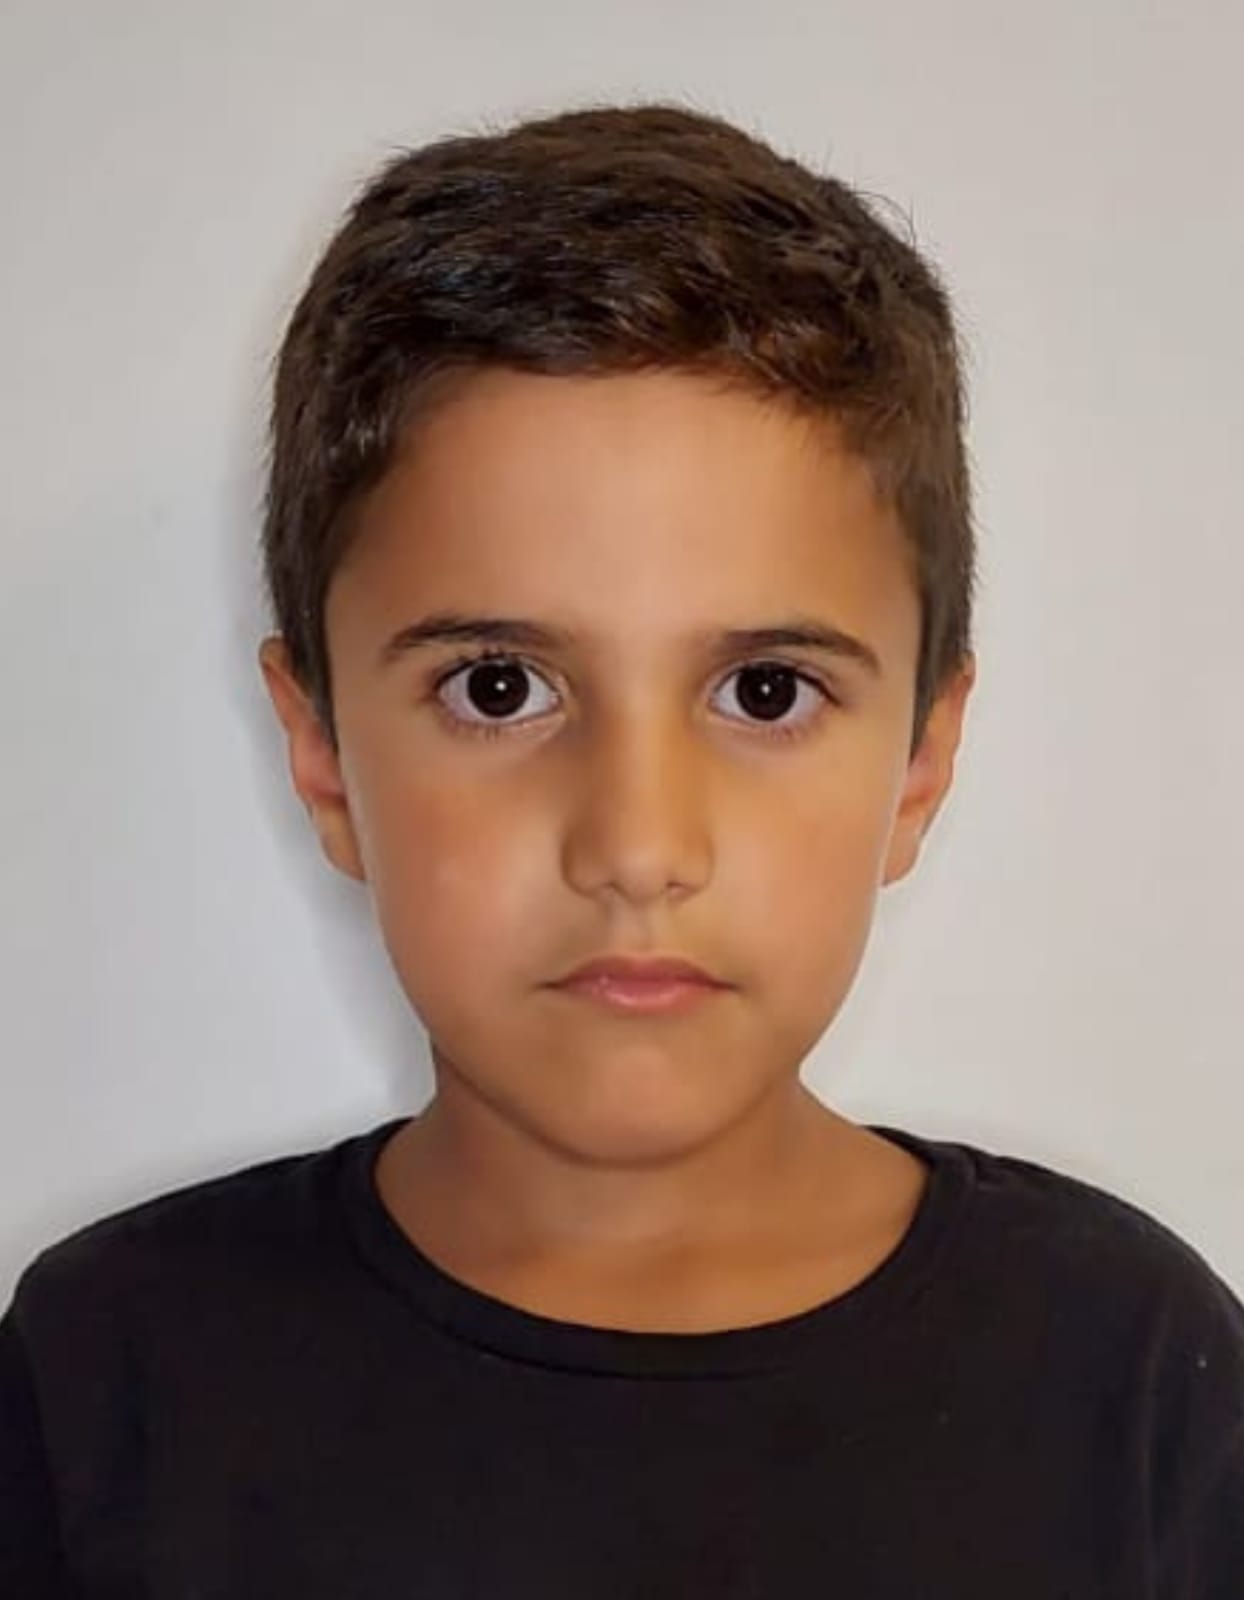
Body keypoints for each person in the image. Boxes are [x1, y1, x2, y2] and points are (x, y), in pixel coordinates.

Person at [2, 98, 1240, 1597]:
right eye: (499, 689)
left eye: (765, 692)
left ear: (922, 760)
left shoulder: (1134, 1380)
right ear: (322, 754)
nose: (639, 847)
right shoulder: (105, 1380)